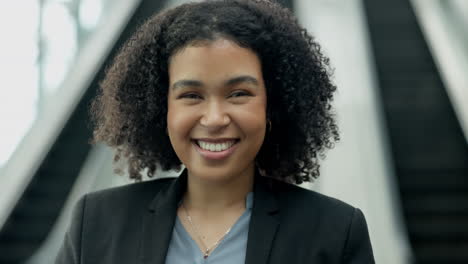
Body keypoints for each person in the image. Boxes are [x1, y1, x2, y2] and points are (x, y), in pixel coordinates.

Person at [56, 0, 375, 263]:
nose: (214, 118)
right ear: (160, 108)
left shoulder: (336, 233)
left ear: (272, 105)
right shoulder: (97, 222)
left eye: (238, 94)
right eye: (191, 95)